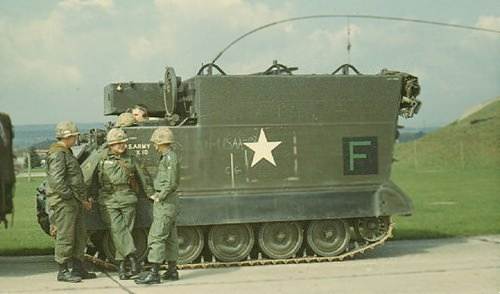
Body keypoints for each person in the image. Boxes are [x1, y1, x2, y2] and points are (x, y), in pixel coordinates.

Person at [96, 128, 153, 280]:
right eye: (117, 143)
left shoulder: (131, 158)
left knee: (124, 231)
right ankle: (133, 259)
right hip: (108, 200)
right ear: (110, 145)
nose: (121, 146)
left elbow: (143, 177)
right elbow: (89, 179)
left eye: (123, 143)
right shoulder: (100, 158)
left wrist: (151, 193)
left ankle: (122, 266)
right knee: (118, 230)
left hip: (127, 198)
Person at [46, 121, 96, 282]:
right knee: (66, 236)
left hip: (73, 201)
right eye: (74, 136)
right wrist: (70, 196)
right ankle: (63, 270)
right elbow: (57, 181)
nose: (76, 139)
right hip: (64, 202)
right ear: (68, 136)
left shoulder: (65, 152)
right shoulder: (58, 154)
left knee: (79, 235)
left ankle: (78, 268)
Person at [135, 127, 180, 284]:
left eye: (155, 143)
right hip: (170, 202)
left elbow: (171, 182)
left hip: (165, 202)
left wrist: (159, 196)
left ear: (161, 142)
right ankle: (172, 270)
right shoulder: (168, 157)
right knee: (170, 238)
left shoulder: (169, 158)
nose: (154, 146)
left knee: (156, 237)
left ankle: (154, 273)